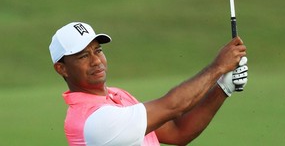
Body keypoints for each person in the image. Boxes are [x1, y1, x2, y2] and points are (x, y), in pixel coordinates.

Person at [49, 21, 248, 146]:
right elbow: (173, 106)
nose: (96, 60)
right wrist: (218, 67)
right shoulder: (93, 121)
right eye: (83, 56)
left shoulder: (117, 97)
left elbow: (178, 132)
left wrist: (223, 87)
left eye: (98, 50)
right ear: (62, 69)